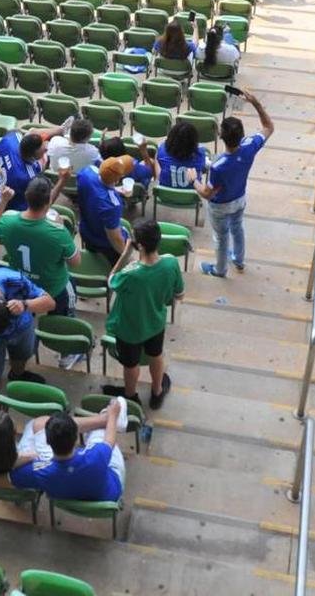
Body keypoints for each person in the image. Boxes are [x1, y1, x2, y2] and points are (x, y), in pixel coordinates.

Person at [0, 403, 127, 502]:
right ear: (76, 439)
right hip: (108, 492)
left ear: (48, 442)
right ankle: (106, 417)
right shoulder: (96, 456)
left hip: (65, 492)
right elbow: (110, 440)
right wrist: (114, 414)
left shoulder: (37, 471)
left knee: (38, 424)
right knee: (106, 428)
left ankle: (105, 417)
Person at [104, 219, 184, 408]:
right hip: (156, 323)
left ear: (138, 245)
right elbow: (179, 294)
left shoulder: (130, 274)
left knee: (130, 364)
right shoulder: (171, 262)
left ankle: (131, 396)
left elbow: (111, 281)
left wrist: (125, 253)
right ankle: (157, 392)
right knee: (156, 355)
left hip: (129, 328)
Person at [195, 91, 274, 277]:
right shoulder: (250, 147)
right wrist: (256, 102)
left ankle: (219, 269)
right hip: (239, 199)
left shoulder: (217, 166)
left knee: (221, 238)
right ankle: (238, 259)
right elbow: (269, 126)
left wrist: (194, 180)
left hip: (220, 207)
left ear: (221, 135)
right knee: (237, 228)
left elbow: (208, 193)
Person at [0, 175, 79, 329]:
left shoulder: (6, 220)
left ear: (26, 196)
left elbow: (0, 238)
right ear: (49, 202)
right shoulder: (58, 232)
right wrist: (60, 227)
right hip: (54, 288)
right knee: (64, 309)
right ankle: (63, 324)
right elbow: (75, 262)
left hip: (21, 284)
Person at [0, 128, 69, 211]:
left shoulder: (11, 139)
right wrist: (62, 180)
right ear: (33, 156)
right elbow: (44, 205)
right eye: (43, 151)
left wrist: (59, 130)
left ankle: (61, 128)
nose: (46, 149)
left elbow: (20, 132)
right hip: (6, 209)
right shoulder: (29, 177)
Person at [76, 155, 134, 265]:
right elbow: (115, 238)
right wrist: (126, 257)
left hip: (85, 230)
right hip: (102, 243)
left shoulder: (87, 172)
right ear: (117, 180)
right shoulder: (112, 204)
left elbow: (96, 187)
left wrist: (113, 190)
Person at [156, 121, 208, 190]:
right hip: (190, 199)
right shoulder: (201, 153)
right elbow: (203, 168)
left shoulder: (162, 150)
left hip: (165, 197)